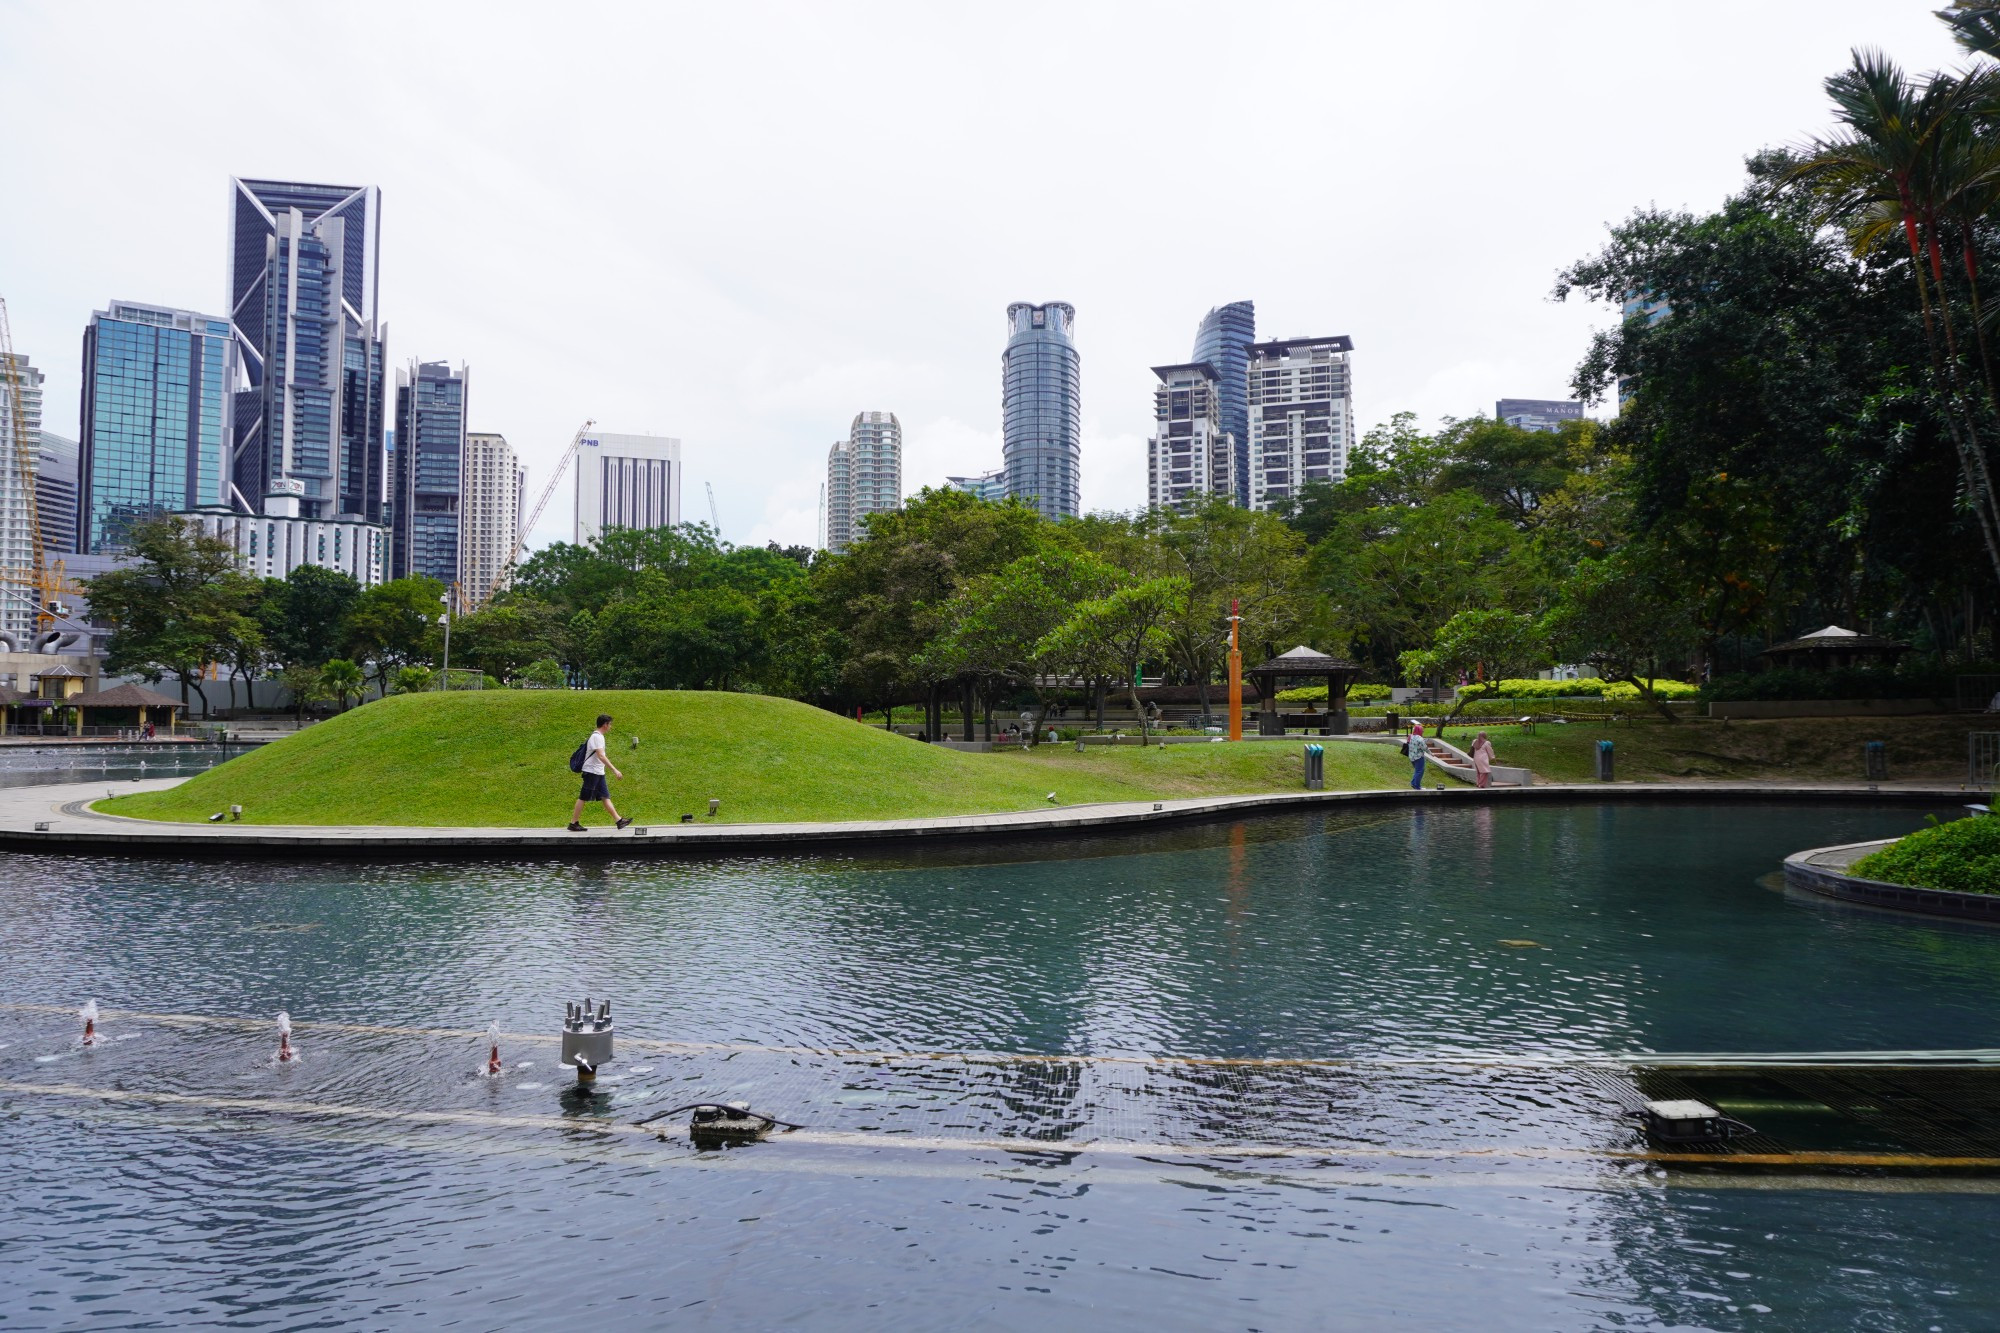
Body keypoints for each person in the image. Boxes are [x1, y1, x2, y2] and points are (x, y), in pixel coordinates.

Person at [568, 713, 633, 832]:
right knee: (583, 797)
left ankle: (619, 820)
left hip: (598, 772)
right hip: (592, 772)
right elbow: (601, 756)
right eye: (610, 724)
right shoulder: (597, 737)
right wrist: (614, 770)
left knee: (605, 796)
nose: (610, 727)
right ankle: (573, 823)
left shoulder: (598, 736)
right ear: (605, 724)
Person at [1405, 721, 1428, 790]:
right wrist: (1431, 753)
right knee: (1420, 771)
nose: (1423, 731)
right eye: (1422, 730)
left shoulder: (1411, 736)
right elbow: (1424, 747)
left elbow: (1410, 744)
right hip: (1418, 757)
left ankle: (1413, 783)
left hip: (1412, 757)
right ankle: (1417, 786)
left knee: (1417, 770)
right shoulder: (1420, 739)